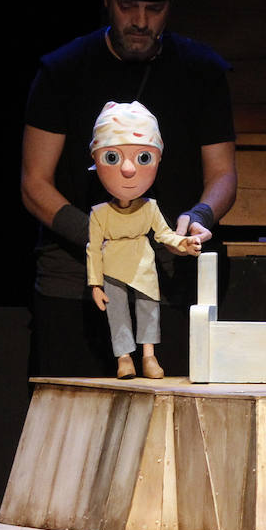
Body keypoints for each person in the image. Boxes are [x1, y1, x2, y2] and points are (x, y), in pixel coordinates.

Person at [21, 0, 237, 377]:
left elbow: (223, 175)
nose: (140, 21)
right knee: (72, 426)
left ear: (171, 2)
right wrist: (102, 237)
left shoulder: (202, 72)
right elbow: (33, 183)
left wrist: (199, 216)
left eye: (154, 9)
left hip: (168, 279)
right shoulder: (62, 71)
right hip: (76, 282)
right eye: (127, 7)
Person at [86, 101, 200, 380]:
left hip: (143, 264)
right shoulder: (99, 214)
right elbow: (93, 250)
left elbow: (164, 234)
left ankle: (148, 356)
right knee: (118, 314)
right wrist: (95, 283)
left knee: (149, 308)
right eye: (112, 157)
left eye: (143, 158)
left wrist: (183, 244)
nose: (127, 169)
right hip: (113, 267)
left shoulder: (149, 207)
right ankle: (124, 357)